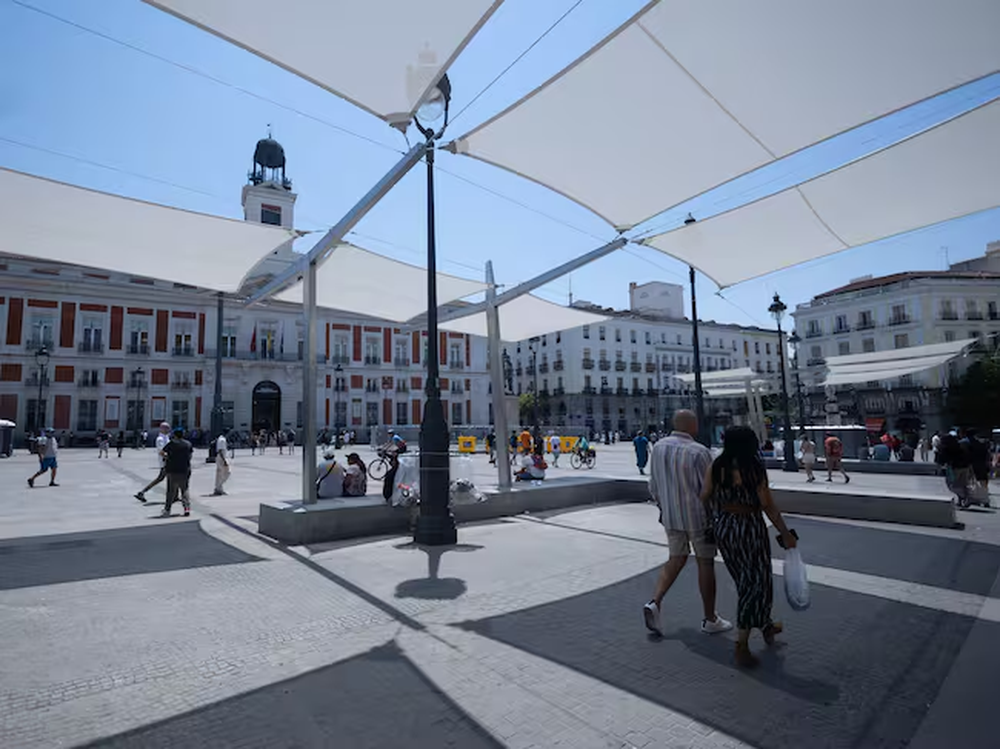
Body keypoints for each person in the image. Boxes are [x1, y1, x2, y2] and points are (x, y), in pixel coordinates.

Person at [702, 426, 797, 667]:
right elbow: (767, 504)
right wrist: (784, 532)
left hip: (724, 528)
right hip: (749, 527)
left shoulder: (717, 465)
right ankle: (741, 644)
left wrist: (718, 513)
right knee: (755, 583)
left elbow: (704, 495)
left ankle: (765, 625)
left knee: (744, 579)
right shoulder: (753, 467)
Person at [643, 410, 732, 638]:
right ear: (692, 425)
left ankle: (655, 602)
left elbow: (653, 484)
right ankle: (710, 618)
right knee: (705, 563)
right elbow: (709, 488)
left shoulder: (659, 447)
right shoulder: (699, 451)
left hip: (671, 515)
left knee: (676, 558)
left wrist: (662, 506)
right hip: (698, 517)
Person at [135, 423, 172, 503]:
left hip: (167, 462)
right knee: (165, 479)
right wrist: (169, 458)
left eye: (168, 428)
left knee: (164, 478)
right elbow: (161, 451)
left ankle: (142, 492)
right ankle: (142, 492)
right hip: (165, 462)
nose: (168, 430)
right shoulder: (160, 439)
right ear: (162, 428)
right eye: (166, 428)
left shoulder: (166, 437)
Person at [160, 428, 193, 518]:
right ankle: (186, 508)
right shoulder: (188, 444)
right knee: (184, 489)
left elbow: (162, 452)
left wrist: (168, 457)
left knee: (170, 490)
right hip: (184, 469)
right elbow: (190, 456)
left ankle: (167, 509)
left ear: (175, 435)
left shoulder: (171, 444)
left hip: (172, 470)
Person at [937, 431, 972, 503]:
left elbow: (942, 459)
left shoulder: (945, 447)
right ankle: (962, 499)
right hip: (965, 467)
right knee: (963, 484)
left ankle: (963, 496)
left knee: (952, 485)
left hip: (954, 468)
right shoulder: (960, 445)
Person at [963, 428, 991, 493]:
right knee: (982, 478)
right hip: (981, 463)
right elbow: (986, 454)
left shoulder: (964, 442)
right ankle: (983, 491)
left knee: (970, 479)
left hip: (970, 464)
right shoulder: (980, 443)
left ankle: (973, 492)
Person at [212, 432, 231, 496]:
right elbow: (220, 451)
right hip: (221, 457)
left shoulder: (220, 439)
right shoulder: (222, 440)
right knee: (227, 472)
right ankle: (219, 487)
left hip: (220, 457)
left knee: (220, 474)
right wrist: (224, 460)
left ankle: (219, 488)